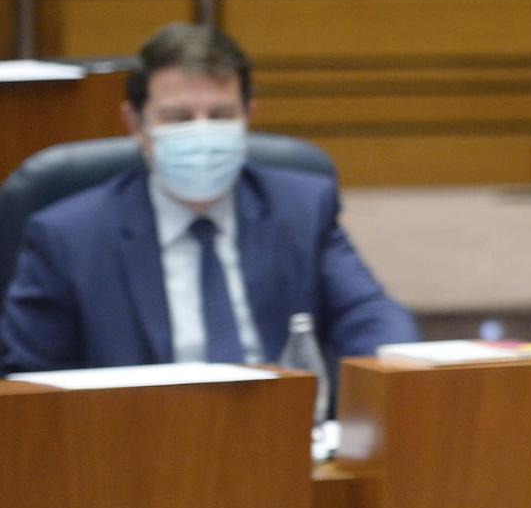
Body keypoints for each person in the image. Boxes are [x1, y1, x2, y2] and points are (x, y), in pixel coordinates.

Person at [1, 23, 419, 379]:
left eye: (220, 116)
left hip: (283, 433)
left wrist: (395, 370)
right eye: (179, 118)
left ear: (248, 117)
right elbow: (30, 380)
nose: (202, 133)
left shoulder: (302, 208)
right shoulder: (69, 236)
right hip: (135, 439)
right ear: (136, 124)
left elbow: (369, 315)